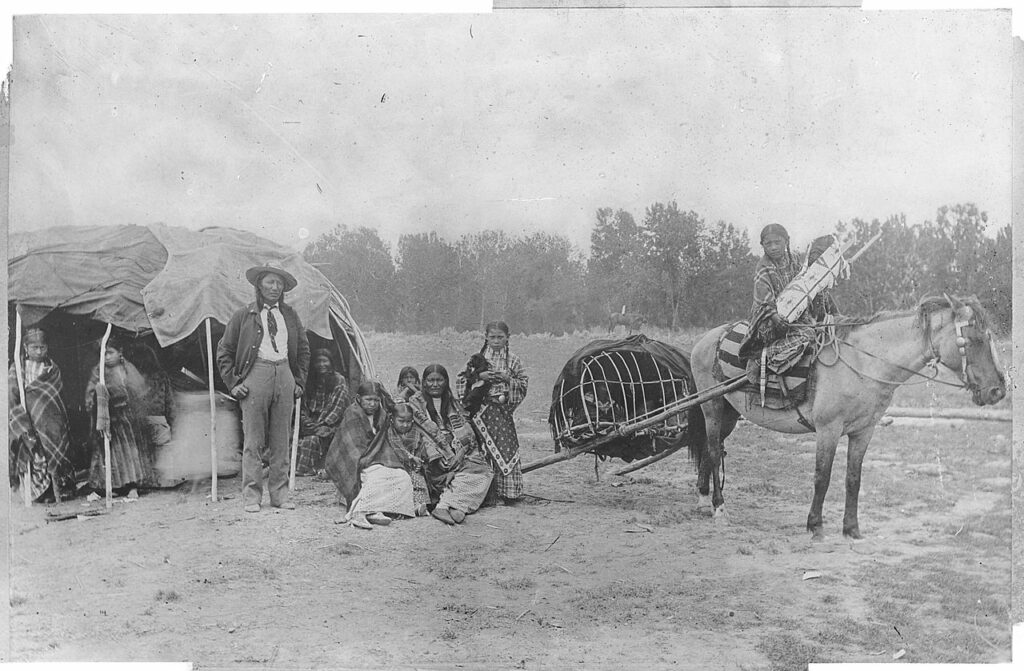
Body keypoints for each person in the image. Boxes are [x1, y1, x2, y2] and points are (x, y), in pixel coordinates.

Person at [217, 263, 310, 513]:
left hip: (284, 373)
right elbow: (224, 352)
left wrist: (299, 380)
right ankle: (251, 496)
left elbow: (303, 349)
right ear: (259, 285)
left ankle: (280, 495)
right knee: (253, 440)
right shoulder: (243, 315)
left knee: (282, 440)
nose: (275, 287)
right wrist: (234, 383)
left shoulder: (290, 315)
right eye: (270, 282)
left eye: (279, 283)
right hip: (255, 375)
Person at [741, 225, 838, 383]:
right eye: (768, 244)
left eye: (777, 242)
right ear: (763, 245)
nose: (773, 247)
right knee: (809, 334)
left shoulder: (793, 261)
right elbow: (764, 302)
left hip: (793, 312)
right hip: (769, 320)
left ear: (786, 242)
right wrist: (776, 318)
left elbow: (803, 283)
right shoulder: (763, 267)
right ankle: (759, 358)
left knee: (821, 329)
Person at [324, 382, 417, 529]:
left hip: (377, 456)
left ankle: (377, 510)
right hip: (356, 458)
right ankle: (358, 513)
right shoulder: (352, 413)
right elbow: (352, 445)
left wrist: (376, 458)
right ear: (359, 398)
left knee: (402, 476)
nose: (373, 404)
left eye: (376, 400)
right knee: (375, 477)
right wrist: (368, 460)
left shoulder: (381, 414)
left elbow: (381, 440)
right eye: (369, 400)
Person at [408, 364, 493, 525]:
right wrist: (439, 454)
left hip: (457, 455)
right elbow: (423, 432)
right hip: (432, 458)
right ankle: (451, 504)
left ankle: (451, 506)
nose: (435, 384)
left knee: (484, 472)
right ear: (424, 382)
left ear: (446, 381)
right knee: (453, 477)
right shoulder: (416, 402)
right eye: (430, 380)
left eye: (439, 380)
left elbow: (466, 432)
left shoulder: (453, 403)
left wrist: (460, 454)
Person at [455, 321, 528, 506]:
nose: (496, 341)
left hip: (502, 411)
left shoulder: (513, 360)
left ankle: (508, 493)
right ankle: (487, 494)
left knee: (506, 448)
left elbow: (523, 383)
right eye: (492, 337)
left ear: (507, 338)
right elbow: (461, 379)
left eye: (500, 337)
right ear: (486, 337)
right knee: (483, 450)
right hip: (480, 412)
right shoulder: (477, 359)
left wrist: (507, 379)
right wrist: (480, 377)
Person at [8, 327, 74, 502]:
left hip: (50, 421)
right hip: (28, 419)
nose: (38, 351)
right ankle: (38, 493)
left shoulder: (52, 369)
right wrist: (21, 420)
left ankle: (53, 490)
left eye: (42, 347)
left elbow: (55, 396)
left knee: (51, 452)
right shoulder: (18, 367)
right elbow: (11, 394)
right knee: (35, 455)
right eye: (34, 347)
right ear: (25, 347)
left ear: (47, 347)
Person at [85, 338, 155, 499]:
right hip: (110, 418)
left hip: (129, 417)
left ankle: (132, 486)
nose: (107, 357)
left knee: (130, 453)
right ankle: (113, 486)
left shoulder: (127, 368)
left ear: (120, 352)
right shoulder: (99, 371)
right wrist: (98, 403)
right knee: (110, 454)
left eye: (110, 352)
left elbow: (141, 391)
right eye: (104, 353)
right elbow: (90, 394)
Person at [294, 348, 349, 476]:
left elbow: (337, 407)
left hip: (329, 424)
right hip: (311, 423)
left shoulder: (338, 380)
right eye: (318, 362)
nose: (321, 365)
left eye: (325, 361)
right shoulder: (310, 381)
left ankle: (305, 469)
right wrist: (306, 421)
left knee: (312, 439)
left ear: (331, 362)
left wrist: (322, 424)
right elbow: (303, 406)